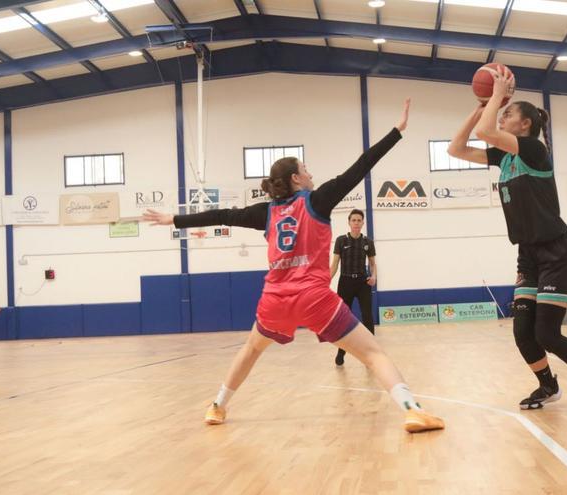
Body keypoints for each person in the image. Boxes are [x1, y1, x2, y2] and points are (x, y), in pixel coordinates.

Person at [143, 100, 444, 433]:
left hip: (275, 299)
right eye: (307, 169)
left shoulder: (265, 212)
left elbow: (222, 215)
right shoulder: (317, 199)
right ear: (297, 179)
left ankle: (217, 406)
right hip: (314, 297)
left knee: (251, 349)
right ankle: (412, 410)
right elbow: (360, 167)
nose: (312, 173)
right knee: (373, 354)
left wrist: (175, 218)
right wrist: (396, 132)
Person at [448, 67, 567, 414]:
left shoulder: (534, 150)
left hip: (556, 251)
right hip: (528, 255)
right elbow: (456, 149)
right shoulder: (504, 158)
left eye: (508, 114)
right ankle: (548, 385)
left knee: (547, 334)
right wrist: (480, 105)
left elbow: (486, 132)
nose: (501, 116)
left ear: (526, 125)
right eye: (501, 112)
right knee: (522, 332)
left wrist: (496, 96)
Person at [330, 209, 377, 366]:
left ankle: (371, 354)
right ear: (349, 223)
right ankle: (341, 352)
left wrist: (374, 276)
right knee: (342, 319)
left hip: (362, 283)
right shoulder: (341, 241)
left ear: (363, 223)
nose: (356, 223)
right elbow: (335, 264)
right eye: (354, 220)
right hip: (345, 283)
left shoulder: (368, 242)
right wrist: (326, 281)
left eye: (359, 220)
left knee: (367, 317)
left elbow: (372, 263)